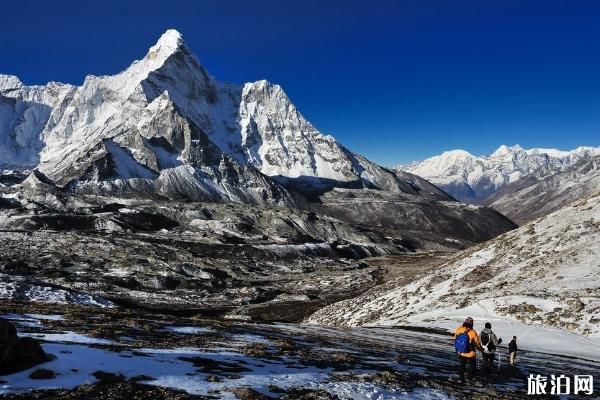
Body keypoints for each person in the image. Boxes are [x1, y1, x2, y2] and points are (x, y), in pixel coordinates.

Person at [454, 317, 482, 383]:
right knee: (472, 366)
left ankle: (461, 378)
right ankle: (469, 378)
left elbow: (456, 339)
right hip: (470, 352)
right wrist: (481, 349)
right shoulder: (473, 332)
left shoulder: (459, 329)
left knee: (462, 365)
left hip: (461, 351)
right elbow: (477, 343)